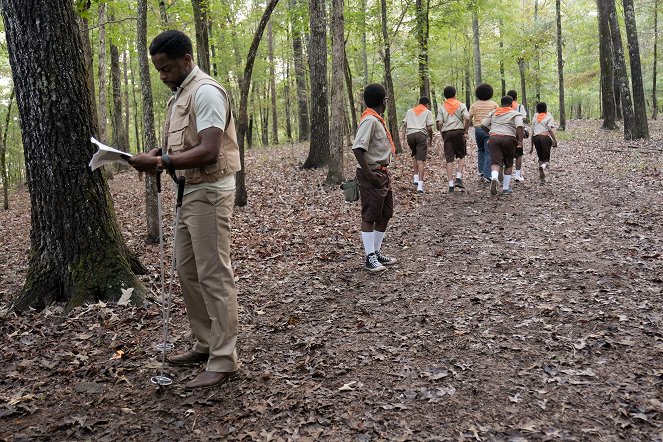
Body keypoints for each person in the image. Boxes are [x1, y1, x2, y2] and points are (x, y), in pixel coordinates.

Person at [128, 30, 240, 389]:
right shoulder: (180, 95)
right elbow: (182, 145)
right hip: (188, 191)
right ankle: (206, 343)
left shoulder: (206, 92)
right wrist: (159, 155)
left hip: (209, 193)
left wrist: (161, 162)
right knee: (188, 272)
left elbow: (209, 150)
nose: (163, 76)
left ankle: (224, 359)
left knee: (214, 275)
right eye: (158, 70)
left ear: (187, 60)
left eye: (167, 68)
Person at [353, 84, 397, 272]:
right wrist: (370, 176)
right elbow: (358, 148)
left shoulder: (377, 120)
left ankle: (376, 251)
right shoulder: (369, 120)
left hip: (382, 172)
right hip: (371, 173)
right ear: (382, 101)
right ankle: (369, 257)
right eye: (386, 99)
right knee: (370, 215)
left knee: (386, 213)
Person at [481, 96, 524, 195]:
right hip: (509, 138)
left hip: (494, 138)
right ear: (511, 104)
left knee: (495, 162)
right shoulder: (515, 114)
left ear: (501, 103)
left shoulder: (494, 112)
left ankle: (495, 178)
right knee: (508, 163)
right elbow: (520, 126)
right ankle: (505, 188)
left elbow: (483, 124)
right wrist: (520, 141)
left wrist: (490, 133)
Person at [436, 86, 470, 193]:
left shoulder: (442, 107)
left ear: (445, 96)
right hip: (458, 131)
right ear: (455, 94)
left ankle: (450, 185)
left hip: (447, 133)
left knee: (449, 159)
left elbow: (440, 122)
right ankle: (458, 178)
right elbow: (467, 118)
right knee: (462, 155)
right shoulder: (461, 105)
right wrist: (465, 130)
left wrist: (441, 130)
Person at [400, 97, 434, 193]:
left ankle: (415, 177)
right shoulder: (427, 112)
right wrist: (430, 138)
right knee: (421, 161)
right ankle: (420, 185)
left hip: (410, 135)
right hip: (421, 135)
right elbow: (430, 128)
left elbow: (404, 125)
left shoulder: (410, 111)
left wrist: (402, 139)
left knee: (415, 155)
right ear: (427, 104)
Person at [469, 84, 499, 183]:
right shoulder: (494, 105)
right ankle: (487, 175)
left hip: (477, 129)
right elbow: (498, 116)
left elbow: (469, 117)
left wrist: (466, 129)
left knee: (480, 150)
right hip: (488, 130)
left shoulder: (474, 105)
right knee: (488, 151)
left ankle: (481, 171)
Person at [530, 102, 558, 184]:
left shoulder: (535, 117)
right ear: (546, 109)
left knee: (540, 157)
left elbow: (532, 132)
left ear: (537, 109)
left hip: (536, 138)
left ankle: (542, 178)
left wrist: (531, 146)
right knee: (546, 160)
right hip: (545, 138)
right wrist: (554, 141)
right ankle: (542, 167)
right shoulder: (549, 116)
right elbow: (549, 129)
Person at [506, 90, 529, 182]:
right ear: (516, 97)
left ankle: (505, 175)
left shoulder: (505, 106)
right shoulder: (519, 107)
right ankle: (517, 175)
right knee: (519, 154)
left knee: (507, 154)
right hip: (517, 132)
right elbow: (523, 118)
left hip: (507, 132)